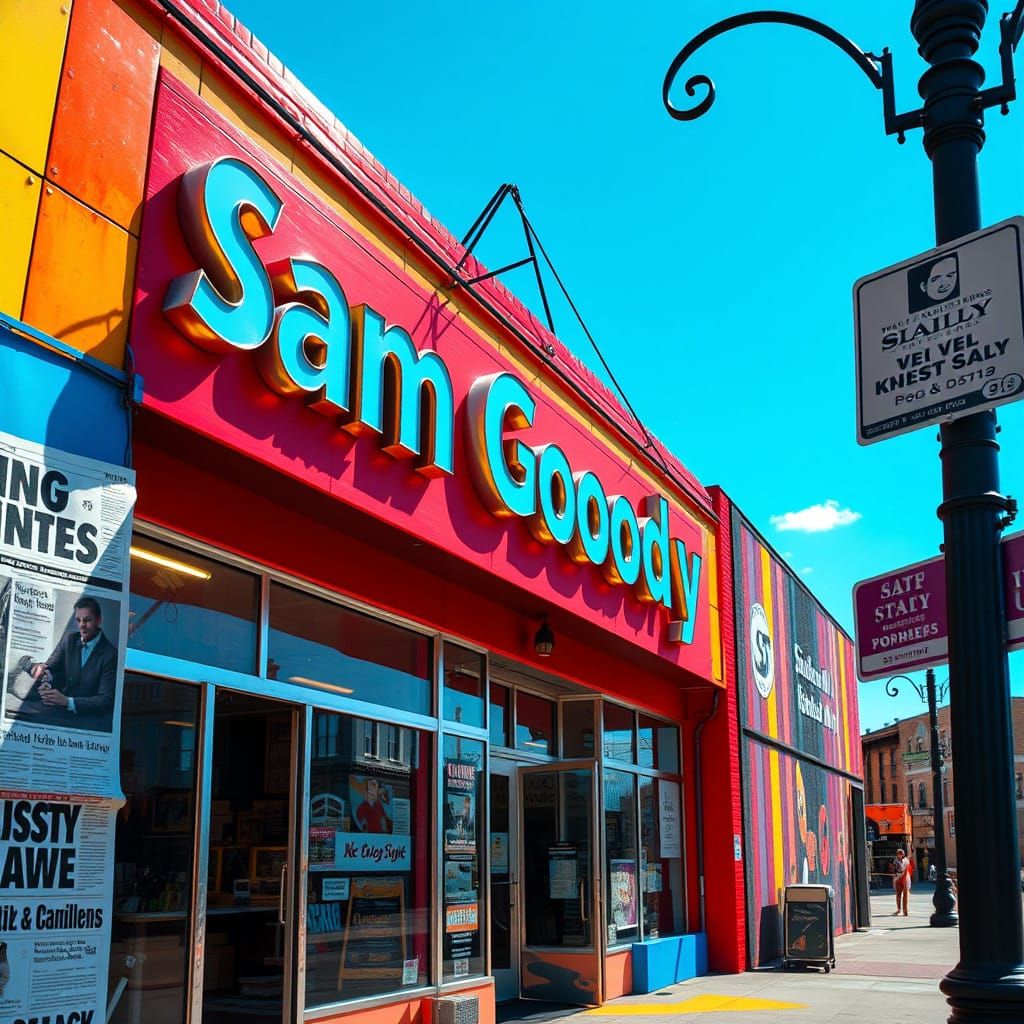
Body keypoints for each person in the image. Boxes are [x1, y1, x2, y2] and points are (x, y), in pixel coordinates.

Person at [27, 597, 116, 718]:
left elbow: (105, 701)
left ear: (99, 620)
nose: (81, 625)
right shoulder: (69, 639)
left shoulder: (111, 654)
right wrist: (46, 679)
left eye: (87, 620)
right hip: (59, 711)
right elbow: (51, 667)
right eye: (78, 620)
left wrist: (68, 702)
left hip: (88, 719)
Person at [893, 847, 912, 916]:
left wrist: (909, 845)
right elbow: (895, 869)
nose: (900, 855)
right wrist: (896, 873)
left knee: (905, 895)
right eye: (898, 854)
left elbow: (909, 856)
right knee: (898, 895)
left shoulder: (906, 860)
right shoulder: (895, 861)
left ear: (903, 854)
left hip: (905, 879)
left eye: (901, 854)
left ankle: (905, 910)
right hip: (898, 879)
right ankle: (899, 909)